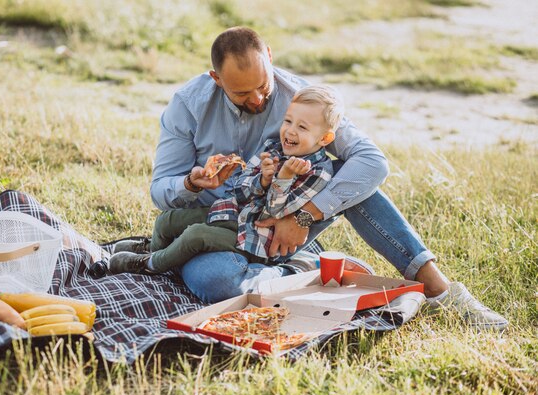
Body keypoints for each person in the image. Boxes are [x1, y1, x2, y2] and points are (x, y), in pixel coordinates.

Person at [144, 27, 507, 330]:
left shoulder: (302, 96)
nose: (257, 99)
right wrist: (191, 184)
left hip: (291, 226)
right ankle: (307, 270)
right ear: (216, 79)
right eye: (241, 92)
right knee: (217, 283)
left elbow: (372, 161)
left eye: (263, 87)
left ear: (269, 56)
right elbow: (160, 191)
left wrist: (304, 217)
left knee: (354, 182)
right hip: (219, 229)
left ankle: (439, 290)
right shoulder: (188, 105)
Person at [109, 85, 342, 274]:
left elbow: (275, 213)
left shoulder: (317, 172)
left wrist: (283, 178)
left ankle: (151, 265)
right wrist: (261, 180)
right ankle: (156, 248)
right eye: (288, 121)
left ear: (325, 138)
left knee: (195, 236)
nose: (290, 131)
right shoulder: (274, 148)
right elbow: (240, 187)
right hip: (231, 212)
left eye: (302, 127)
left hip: (254, 238)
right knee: (167, 220)